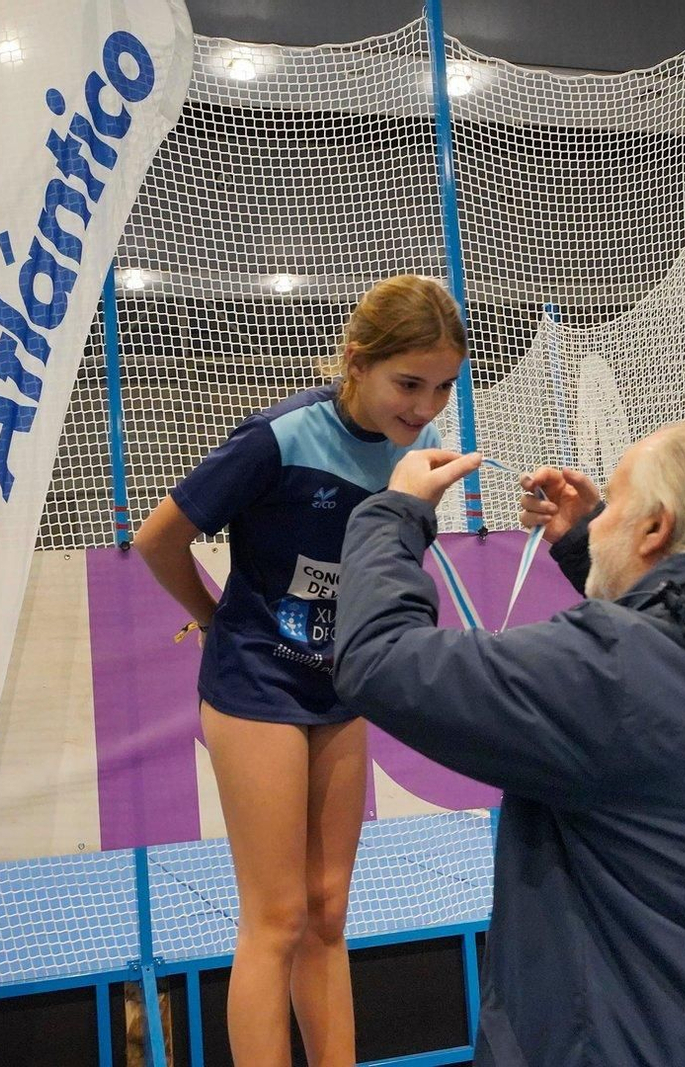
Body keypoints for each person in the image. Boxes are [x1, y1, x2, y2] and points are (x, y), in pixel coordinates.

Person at [333, 421, 685, 1066]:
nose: (598, 521)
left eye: (614, 508)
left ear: (656, 529)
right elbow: (676, 674)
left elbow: (378, 660)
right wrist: (590, 545)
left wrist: (396, 513)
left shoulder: (613, 674)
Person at [135, 275, 464, 1066]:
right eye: (408, 383)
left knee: (328, 909)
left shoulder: (408, 462)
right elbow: (157, 539)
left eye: (443, 387)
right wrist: (218, 620)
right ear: (357, 361)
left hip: (337, 690)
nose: (423, 407)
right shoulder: (277, 439)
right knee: (276, 917)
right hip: (256, 687)